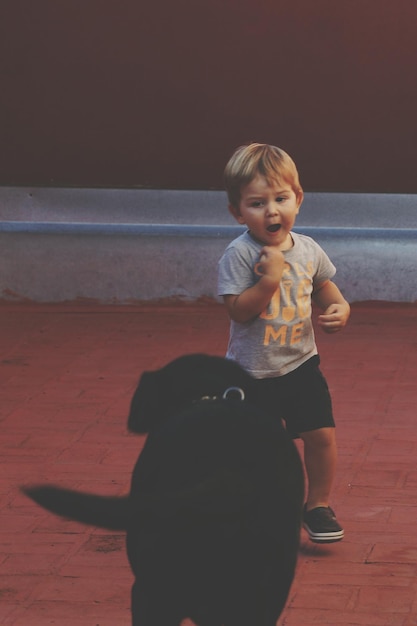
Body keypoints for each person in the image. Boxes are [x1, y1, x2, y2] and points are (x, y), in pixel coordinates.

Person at [218, 143, 350, 543]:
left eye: (281, 198)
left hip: (301, 365)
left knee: (321, 435)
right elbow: (239, 311)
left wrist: (340, 309)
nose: (272, 211)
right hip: (251, 373)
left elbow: (326, 288)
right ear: (237, 212)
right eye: (257, 203)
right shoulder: (239, 255)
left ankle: (318, 506)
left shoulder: (308, 249)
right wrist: (269, 280)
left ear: (299, 199)